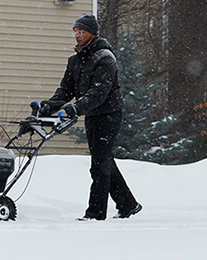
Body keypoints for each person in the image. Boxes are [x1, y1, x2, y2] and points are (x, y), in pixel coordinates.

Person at [40, 13, 142, 221]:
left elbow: (99, 92)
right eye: (75, 32)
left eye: (81, 32)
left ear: (92, 34)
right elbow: (65, 90)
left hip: (109, 114)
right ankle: (128, 204)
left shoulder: (105, 58)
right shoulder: (75, 60)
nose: (77, 36)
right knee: (103, 160)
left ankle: (96, 213)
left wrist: (77, 108)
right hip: (92, 115)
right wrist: (49, 106)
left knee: (99, 163)